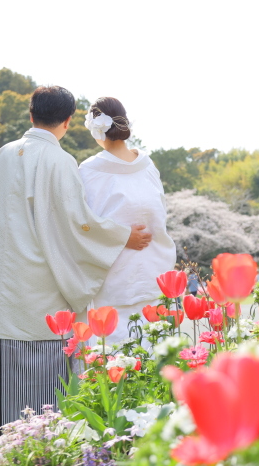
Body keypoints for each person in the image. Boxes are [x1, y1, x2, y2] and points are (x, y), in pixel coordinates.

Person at [0, 86, 152, 443]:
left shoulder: (1, 155)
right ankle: (39, 444)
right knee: (45, 402)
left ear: (31, 114)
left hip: (6, 289)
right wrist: (121, 235)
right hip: (41, 290)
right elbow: (75, 222)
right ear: (67, 121)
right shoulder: (58, 160)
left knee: (9, 386)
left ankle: (6, 446)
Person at [78, 97, 177, 344]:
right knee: (155, 351)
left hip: (114, 279)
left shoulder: (89, 171)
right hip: (155, 272)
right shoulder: (148, 166)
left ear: (96, 128)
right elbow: (160, 215)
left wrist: (119, 236)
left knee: (115, 359)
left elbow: (83, 225)